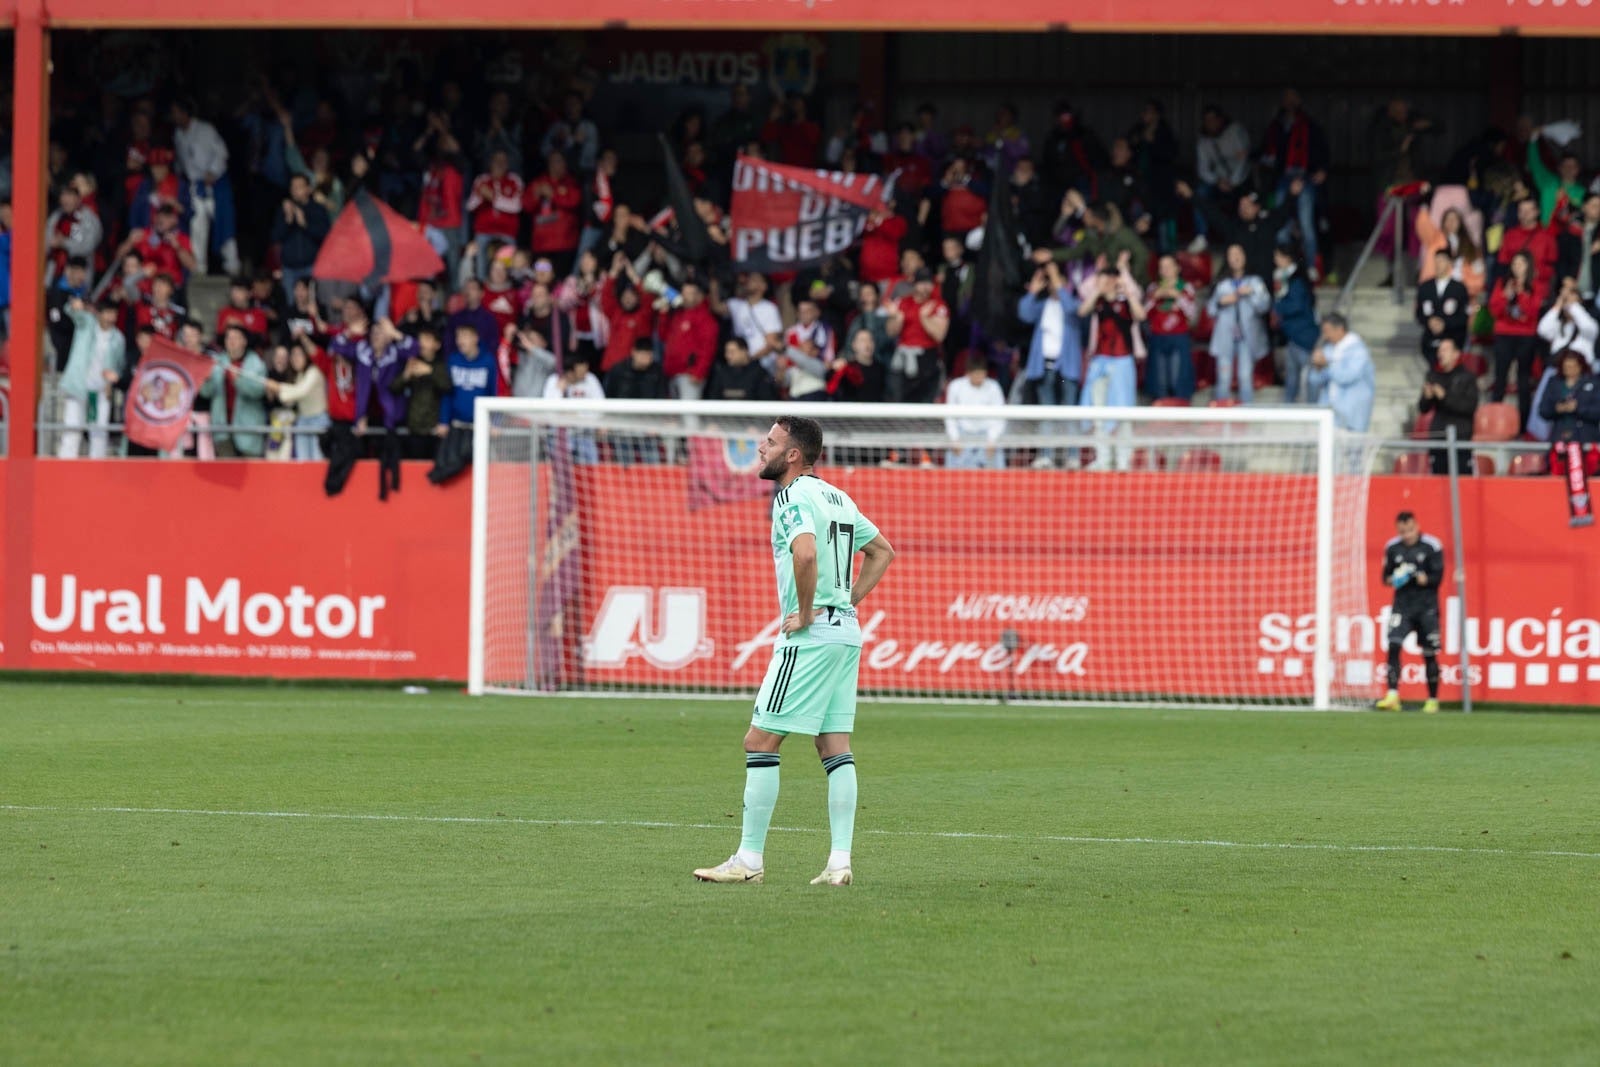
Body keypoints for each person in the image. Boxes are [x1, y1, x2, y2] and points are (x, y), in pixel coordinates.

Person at [694, 416, 896, 888]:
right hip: (846, 633)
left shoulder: (791, 496)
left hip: (811, 638)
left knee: (759, 741)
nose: (760, 447)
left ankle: (748, 860)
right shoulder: (839, 497)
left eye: (770, 441)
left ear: (792, 456)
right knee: (834, 747)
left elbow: (804, 554)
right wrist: (845, 603)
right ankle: (839, 863)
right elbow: (883, 551)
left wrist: (808, 612)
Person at [1078, 261, 1146, 471]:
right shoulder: (1097, 302)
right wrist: (1098, 291)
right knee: (1099, 414)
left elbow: (1141, 315)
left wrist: (1127, 291)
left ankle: (1124, 459)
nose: (1105, 283)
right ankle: (1103, 457)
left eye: (1109, 279)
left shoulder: (1126, 302)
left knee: (1124, 414)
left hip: (1122, 361)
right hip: (1099, 362)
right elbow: (1082, 311)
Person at [1375, 511, 1445, 714]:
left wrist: (1423, 578)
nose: (1407, 535)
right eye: (1402, 531)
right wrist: (1396, 577)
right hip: (1402, 606)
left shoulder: (1432, 545)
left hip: (1426, 607)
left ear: (1417, 525)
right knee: (1394, 645)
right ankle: (1392, 696)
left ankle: (1432, 700)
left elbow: (1437, 578)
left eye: (1410, 530)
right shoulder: (1392, 547)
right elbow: (1385, 578)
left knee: (1429, 653)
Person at [172, 98, 241, 276]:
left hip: (216, 184)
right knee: (198, 226)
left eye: (176, 112)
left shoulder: (206, 130)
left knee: (224, 224)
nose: (174, 117)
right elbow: (181, 164)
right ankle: (199, 268)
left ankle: (232, 265)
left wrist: (213, 171)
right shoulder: (178, 135)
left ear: (184, 113)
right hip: (195, 186)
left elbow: (222, 153)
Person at [56, 299, 125, 459]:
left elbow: (120, 365)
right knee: (72, 429)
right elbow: (73, 312)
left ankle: (97, 472)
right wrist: (74, 305)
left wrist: (114, 378)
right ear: (98, 314)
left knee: (98, 433)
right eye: (107, 313)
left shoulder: (118, 338)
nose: (111, 317)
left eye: (113, 313)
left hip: (99, 392)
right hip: (78, 387)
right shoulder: (87, 325)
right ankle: (64, 470)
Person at [1206, 244, 1271, 404]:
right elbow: (1210, 310)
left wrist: (1251, 294)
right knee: (1224, 376)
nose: (1235, 258)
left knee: (1244, 376)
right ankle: (1221, 415)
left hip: (1246, 338)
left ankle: (1246, 415)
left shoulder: (1255, 282)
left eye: (1238, 254)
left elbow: (1264, 306)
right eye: (1231, 255)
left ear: (1245, 256)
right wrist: (1222, 302)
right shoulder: (1222, 283)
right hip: (1225, 336)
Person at [1489, 250, 1546, 432]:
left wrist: (1521, 293)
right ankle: (1493, 420)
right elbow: (1494, 310)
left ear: (1528, 266)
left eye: (1520, 264)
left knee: (1523, 381)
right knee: (1500, 379)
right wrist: (1506, 294)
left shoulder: (1536, 286)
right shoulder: (1503, 283)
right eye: (1514, 264)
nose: (1517, 268)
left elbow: (1532, 313)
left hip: (1525, 335)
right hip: (1504, 333)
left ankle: (1523, 425)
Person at [1190, 105, 1250, 254]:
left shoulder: (1235, 131)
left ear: (1221, 120)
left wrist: (1233, 182)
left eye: (1214, 120)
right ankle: (1201, 236)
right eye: (1207, 120)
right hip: (1218, 181)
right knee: (1199, 194)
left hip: (1240, 179)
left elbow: (1244, 160)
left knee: (1245, 202)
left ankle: (1243, 239)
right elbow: (1203, 169)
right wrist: (1218, 181)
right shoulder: (1203, 141)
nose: (1211, 124)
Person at [387, 324, 453, 460]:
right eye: (420, 339)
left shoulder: (442, 365)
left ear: (437, 345)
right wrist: (406, 375)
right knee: (414, 469)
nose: (422, 343)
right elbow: (393, 388)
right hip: (414, 428)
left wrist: (430, 372)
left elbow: (448, 386)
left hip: (435, 429)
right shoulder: (412, 362)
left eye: (427, 339)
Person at [885, 267, 949, 404]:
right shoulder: (902, 302)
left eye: (929, 283)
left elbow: (939, 335)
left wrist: (924, 318)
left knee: (925, 401)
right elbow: (891, 332)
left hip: (927, 358)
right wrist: (897, 317)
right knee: (899, 399)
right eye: (922, 283)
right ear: (915, 284)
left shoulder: (938, 305)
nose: (926, 287)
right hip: (903, 357)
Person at [1418, 338, 1479, 475]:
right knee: (1438, 483)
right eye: (1439, 350)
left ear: (1456, 354)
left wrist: (1444, 396)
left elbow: (1469, 407)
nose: (1441, 353)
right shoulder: (1433, 376)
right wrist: (1427, 397)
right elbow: (1423, 408)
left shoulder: (1467, 377)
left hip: (1460, 438)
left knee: (1462, 483)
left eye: (1445, 350)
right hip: (1438, 437)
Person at [1308, 312, 1376, 433]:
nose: (1325, 336)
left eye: (1327, 331)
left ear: (1340, 329)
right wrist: (1318, 368)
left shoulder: (1359, 351)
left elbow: (1347, 377)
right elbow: (1314, 380)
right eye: (1323, 331)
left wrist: (1327, 365)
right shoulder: (1328, 349)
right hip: (1330, 414)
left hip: (1352, 415)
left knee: (1352, 449)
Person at [1537, 348, 1600, 478]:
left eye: (1573, 367)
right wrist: (1557, 409)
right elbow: (1543, 410)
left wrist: (1578, 408)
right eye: (1566, 367)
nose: (1569, 370)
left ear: (1580, 366)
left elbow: (1597, 411)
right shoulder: (1554, 383)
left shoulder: (1593, 383)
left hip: (1585, 439)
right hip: (1560, 438)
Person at [1143, 253, 1197, 401]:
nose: (1165, 270)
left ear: (1177, 268)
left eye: (1168, 266)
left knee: (1177, 377)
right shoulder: (1153, 288)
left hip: (1179, 337)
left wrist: (1177, 296)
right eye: (1162, 267)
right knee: (1159, 380)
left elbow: (1192, 315)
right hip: (1157, 337)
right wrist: (1156, 297)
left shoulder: (1186, 287)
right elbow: (1143, 314)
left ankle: (1180, 410)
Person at [1272, 244, 1319, 403]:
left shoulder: (1297, 281)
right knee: (1292, 377)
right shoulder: (1283, 279)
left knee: (1309, 378)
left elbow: (1296, 305)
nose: (1275, 260)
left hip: (1303, 336)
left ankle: (1313, 412)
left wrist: (1277, 306)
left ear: (1288, 258)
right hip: (1292, 336)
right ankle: (1288, 409)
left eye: (1278, 256)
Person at [271, 338, 331, 461]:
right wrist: (274, 389)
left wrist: (279, 387)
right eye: (292, 355)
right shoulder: (299, 375)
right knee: (302, 461)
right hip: (303, 420)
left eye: (298, 354)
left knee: (317, 461)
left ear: (307, 356)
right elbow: (290, 401)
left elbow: (300, 391)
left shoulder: (315, 371)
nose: (295, 358)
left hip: (319, 421)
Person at [943, 356, 1006, 469]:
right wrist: (954, 438)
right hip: (963, 434)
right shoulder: (956, 386)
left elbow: (999, 417)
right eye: (975, 375)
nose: (978, 378)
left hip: (987, 435)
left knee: (996, 462)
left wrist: (992, 439)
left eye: (981, 374)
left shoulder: (993, 387)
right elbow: (950, 416)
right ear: (968, 373)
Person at [1415, 248, 1470, 367]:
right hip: (1431, 340)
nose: (1438, 264)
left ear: (1450, 263)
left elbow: (1464, 316)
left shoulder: (1459, 288)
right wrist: (1429, 321)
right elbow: (1419, 313)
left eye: (1442, 260)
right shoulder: (1425, 287)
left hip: (1453, 337)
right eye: (1436, 261)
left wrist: (1445, 323)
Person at [705, 337, 777, 402]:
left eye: (732, 352)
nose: (727, 356)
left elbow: (767, 400)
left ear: (744, 351)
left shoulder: (760, 373)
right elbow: (713, 398)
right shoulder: (721, 373)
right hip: (725, 416)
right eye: (727, 352)